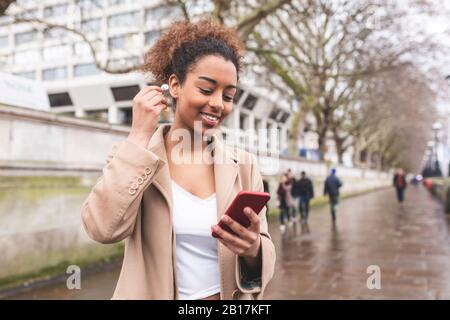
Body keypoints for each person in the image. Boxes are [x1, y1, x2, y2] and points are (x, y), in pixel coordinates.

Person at [81, 18, 275, 300]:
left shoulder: (244, 165)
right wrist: (138, 138)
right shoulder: (134, 157)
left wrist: (253, 249)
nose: (219, 103)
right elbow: (102, 228)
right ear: (174, 85)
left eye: (229, 95)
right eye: (206, 90)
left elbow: (265, 254)